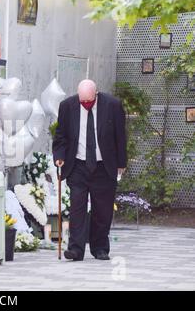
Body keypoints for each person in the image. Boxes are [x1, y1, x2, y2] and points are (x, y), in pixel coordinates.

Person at [52, 79, 127, 261]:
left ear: (96, 94)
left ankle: (100, 247)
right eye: (82, 101)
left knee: (102, 210)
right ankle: (75, 249)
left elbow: (120, 135)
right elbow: (60, 135)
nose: (85, 105)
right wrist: (59, 157)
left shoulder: (112, 105)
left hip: (104, 165)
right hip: (78, 164)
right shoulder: (67, 106)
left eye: (89, 101)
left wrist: (121, 162)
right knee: (77, 208)